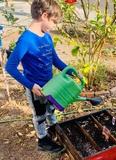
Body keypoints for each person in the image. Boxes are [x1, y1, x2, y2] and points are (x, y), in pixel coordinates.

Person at [5, 0, 69, 153]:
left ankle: (53, 127)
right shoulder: (26, 40)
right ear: (45, 15)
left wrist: (70, 70)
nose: (54, 26)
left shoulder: (46, 36)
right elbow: (10, 67)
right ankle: (43, 140)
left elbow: (55, 60)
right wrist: (31, 86)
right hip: (36, 88)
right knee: (40, 114)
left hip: (51, 85)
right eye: (53, 22)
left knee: (51, 108)